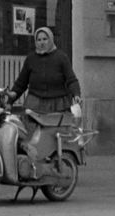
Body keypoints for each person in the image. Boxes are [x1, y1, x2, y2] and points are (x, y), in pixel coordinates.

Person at [6, 26, 81, 164]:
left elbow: (71, 79)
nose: (42, 42)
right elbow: (21, 83)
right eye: (39, 39)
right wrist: (12, 95)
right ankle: (29, 163)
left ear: (50, 39)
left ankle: (57, 162)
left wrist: (76, 94)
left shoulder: (61, 58)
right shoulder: (31, 59)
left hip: (57, 105)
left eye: (45, 39)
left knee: (53, 137)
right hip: (35, 104)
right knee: (30, 138)